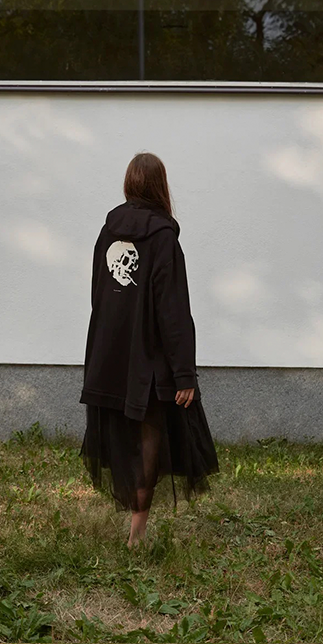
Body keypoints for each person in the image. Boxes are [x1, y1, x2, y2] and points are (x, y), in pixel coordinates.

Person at [78, 151, 220, 549]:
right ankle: (136, 537)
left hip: (110, 354)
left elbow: (99, 295)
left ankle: (134, 528)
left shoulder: (107, 231)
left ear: (128, 183)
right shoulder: (163, 238)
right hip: (149, 362)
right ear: (161, 186)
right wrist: (184, 373)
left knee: (126, 437)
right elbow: (172, 311)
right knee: (148, 440)